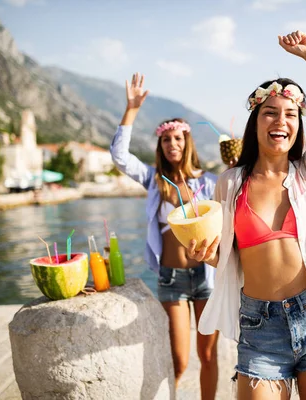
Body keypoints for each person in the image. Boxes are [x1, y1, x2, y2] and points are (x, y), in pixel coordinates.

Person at [188, 31, 306, 399]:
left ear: (299, 124)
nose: (281, 120)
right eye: (270, 112)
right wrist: (204, 254)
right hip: (260, 327)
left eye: (290, 114)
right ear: (255, 121)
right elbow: (226, 255)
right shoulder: (230, 184)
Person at [110, 73, 219, 399]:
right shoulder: (153, 180)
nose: (172, 144)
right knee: (180, 359)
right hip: (172, 279)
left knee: (210, 355)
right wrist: (131, 109)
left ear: (187, 143)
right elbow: (119, 157)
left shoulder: (209, 183)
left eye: (178, 139)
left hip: (206, 277)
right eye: (166, 140)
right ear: (161, 145)